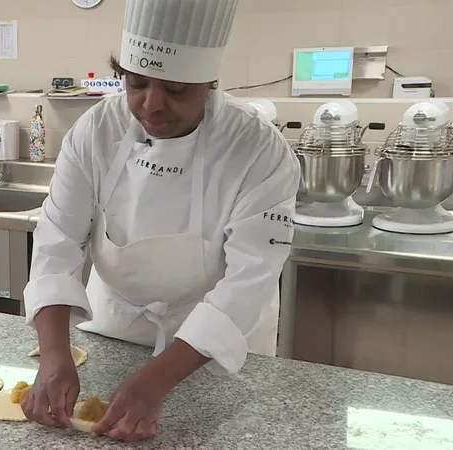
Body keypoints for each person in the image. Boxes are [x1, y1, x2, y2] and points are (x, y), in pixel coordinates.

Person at [21, 0, 300, 443]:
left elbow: (250, 278)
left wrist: (158, 379)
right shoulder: (96, 129)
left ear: (209, 83)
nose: (151, 106)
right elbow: (58, 239)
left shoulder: (257, 149)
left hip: (212, 339)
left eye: (175, 90)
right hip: (116, 322)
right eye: (137, 84)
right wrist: (54, 354)